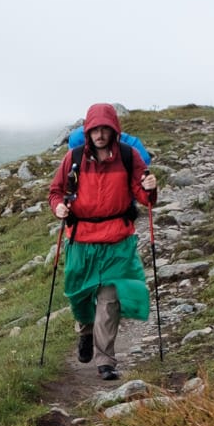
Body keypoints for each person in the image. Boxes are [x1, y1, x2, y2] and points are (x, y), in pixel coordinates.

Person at [51, 103, 157, 380]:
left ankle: (105, 361)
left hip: (117, 240)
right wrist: (58, 207)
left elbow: (144, 197)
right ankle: (85, 331)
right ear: (87, 131)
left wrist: (150, 188)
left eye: (105, 129)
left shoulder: (128, 156)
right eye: (95, 130)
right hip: (81, 239)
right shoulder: (73, 158)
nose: (100, 135)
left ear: (113, 130)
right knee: (79, 296)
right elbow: (56, 191)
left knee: (109, 301)